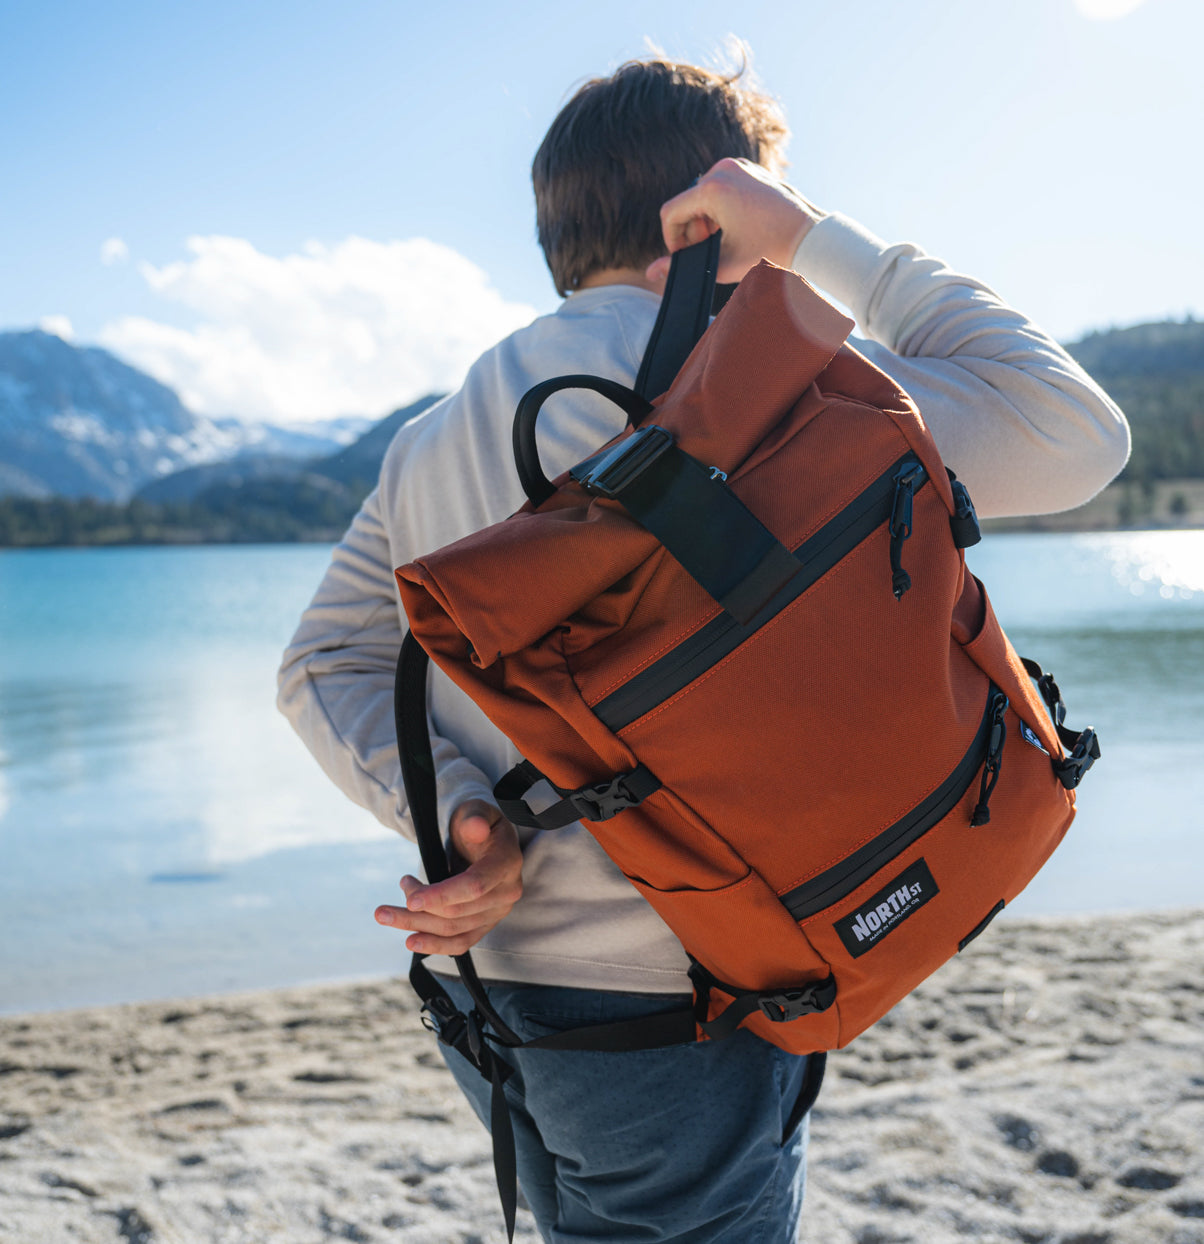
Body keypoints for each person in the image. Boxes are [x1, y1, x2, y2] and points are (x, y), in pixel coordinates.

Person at [277, 56, 1129, 1243]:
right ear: (719, 210)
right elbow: (1073, 432)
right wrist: (820, 237)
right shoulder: (779, 390)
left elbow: (323, 663)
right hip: (690, 999)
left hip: (497, 998)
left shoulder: (427, 438)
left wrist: (466, 813)